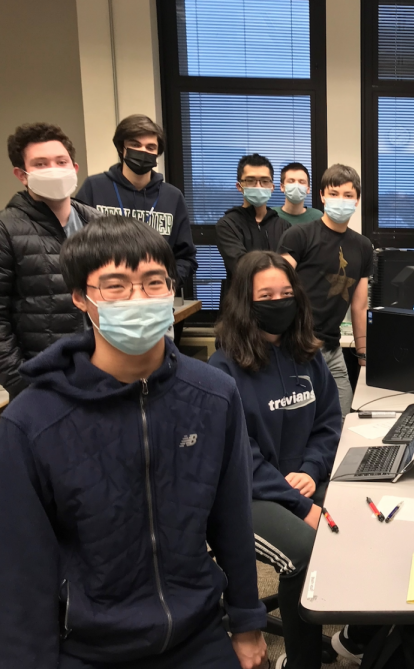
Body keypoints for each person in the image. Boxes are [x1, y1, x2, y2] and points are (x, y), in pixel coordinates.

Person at [0, 215, 267, 668]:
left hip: (198, 633)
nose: (139, 298)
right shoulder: (32, 421)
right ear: (81, 298)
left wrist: (246, 620)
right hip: (90, 646)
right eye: (116, 285)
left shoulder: (214, 394)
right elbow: (21, 569)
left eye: (153, 282)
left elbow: (232, 520)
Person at [210, 250, 341, 669]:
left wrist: (310, 471)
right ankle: (302, 662)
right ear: (244, 303)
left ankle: (359, 636)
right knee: (304, 552)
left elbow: (328, 423)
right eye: (266, 295)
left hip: (299, 480)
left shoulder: (307, 353)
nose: (279, 301)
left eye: (286, 292)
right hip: (244, 495)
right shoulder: (222, 369)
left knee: (365, 524)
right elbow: (238, 456)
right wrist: (299, 502)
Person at [0, 122, 102, 399]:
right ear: (22, 175)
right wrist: (22, 385)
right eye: (41, 164)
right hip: (44, 376)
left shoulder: (99, 223)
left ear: (75, 168)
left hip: (102, 368)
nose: (54, 170)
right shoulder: (6, 229)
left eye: (61, 161)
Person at [279, 164, 372, 417]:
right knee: (301, 422)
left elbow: (359, 306)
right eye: (333, 194)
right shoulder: (299, 236)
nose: (340, 200)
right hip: (296, 347)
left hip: (332, 348)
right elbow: (277, 292)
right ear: (321, 196)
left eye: (348, 195)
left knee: (343, 418)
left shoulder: (363, 246)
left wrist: (363, 355)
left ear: (357, 200)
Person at [76, 114, 198, 292]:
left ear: (157, 152)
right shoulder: (94, 188)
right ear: (122, 148)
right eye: (135, 145)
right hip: (106, 296)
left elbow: (186, 256)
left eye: (150, 147)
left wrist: (168, 284)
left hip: (155, 298)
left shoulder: (172, 196)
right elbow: (75, 246)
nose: (143, 151)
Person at [216, 153, 291, 302]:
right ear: (239, 186)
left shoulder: (283, 226)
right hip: (240, 305)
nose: (258, 186)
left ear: (272, 187)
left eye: (264, 181)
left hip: (277, 303)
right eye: (251, 181)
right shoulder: (228, 225)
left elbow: (289, 269)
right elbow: (241, 268)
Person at [274, 162, 323, 226]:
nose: (296, 185)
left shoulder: (317, 217)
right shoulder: (272, 215)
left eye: (301, 182)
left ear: (308, 189)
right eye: (291, 181)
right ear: (282, 187)